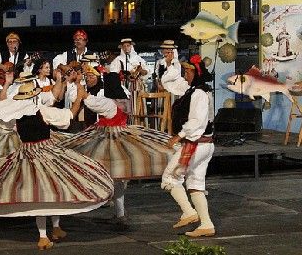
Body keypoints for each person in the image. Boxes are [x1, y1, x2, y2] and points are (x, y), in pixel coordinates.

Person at [0, 82, 114, 250]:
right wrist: (79, 99)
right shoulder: (42, 111)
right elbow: (70, 114)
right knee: (48, 192)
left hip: (27, 154)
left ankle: (55, 228)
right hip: (42, 152)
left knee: (47, 191)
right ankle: (43, 236)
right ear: (34, 97)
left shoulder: (16, 116)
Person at [60, 75, 174, 227]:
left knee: (106, 171)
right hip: (121, 135)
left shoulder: (108, 102)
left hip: (109, 138)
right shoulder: (124, 99)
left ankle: (113, 209)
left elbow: (91, 102)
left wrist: (80, 89)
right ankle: (118, 212)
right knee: (117, 178)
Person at [160, 54, 216, 238]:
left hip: (195, 144)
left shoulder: (199, 93)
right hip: (202, 144)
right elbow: (169, 83)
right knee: (195, 183)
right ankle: (206, 224)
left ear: (196, 73)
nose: (185, 75)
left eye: (188, 71)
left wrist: (179, 136)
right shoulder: (194, 90)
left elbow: (196, 122)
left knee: (170, 177)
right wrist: (170, 63)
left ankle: (189, 212)